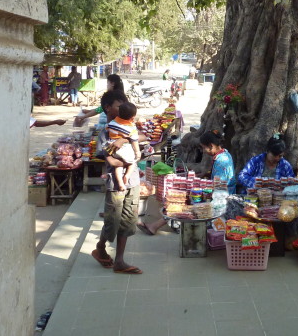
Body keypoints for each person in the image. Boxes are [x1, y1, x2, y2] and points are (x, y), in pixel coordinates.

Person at [138, 130, 235, 236]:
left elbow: (219, 185)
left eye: (204, 148)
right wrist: (203, 176)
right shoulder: (224, 154)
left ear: (211, 146)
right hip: (218, 193)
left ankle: (156, 226)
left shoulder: (222, 161)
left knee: (184, 202)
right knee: (182, 198)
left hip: (221, 198)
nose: (203, 151)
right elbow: (216, 177)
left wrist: (200, 186)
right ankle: (155, 226)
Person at [92, 90, 143, 274]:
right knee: (112, 221)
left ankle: (120, 260)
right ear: (108, 108)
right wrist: (131, 161)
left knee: (128, 220)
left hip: (133, 181)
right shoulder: (106, 133)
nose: (123, 109)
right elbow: (112, 162)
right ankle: (100, 247)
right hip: (116, 184)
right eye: (119, 106)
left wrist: (124, 138)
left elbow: (141, 136)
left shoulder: (128, 128)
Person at [106, 101, 141, 193]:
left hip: (113, 148)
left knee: (118, 166)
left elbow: (108, 128)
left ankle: (120, 183)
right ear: (133, 117)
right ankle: (127, 175)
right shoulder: (131, 128)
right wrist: (137, 152)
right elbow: (134, 141)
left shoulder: (112, 123)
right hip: (124, 149)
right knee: (133, 162)